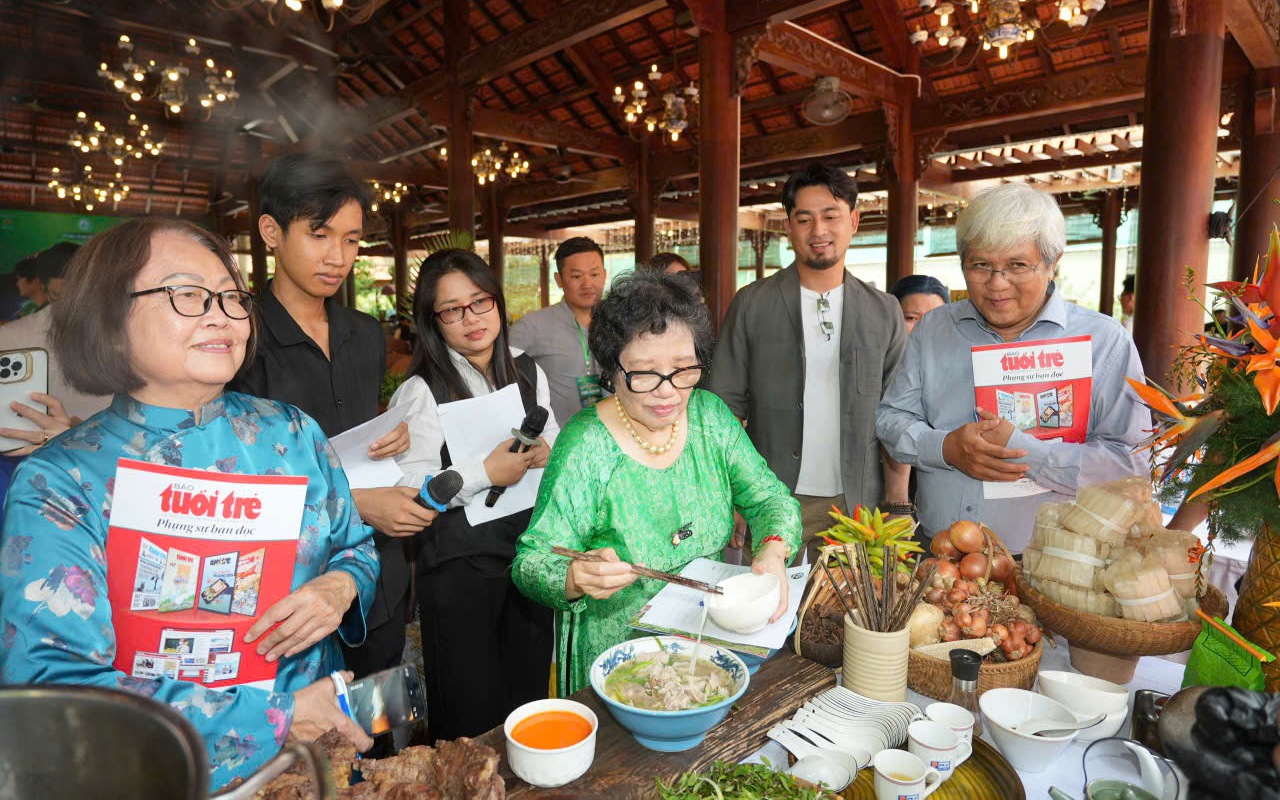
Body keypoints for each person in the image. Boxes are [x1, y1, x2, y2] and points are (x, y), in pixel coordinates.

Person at [0, 217, 378, 788]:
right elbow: (55, 685)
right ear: (109, 315)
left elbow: (356, 547)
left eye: (232, 298)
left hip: (314, 768)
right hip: (158, 774)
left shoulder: (293, 435)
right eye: (186, 295)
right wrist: (279, 718)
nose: (221, 315)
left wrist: (340, 587)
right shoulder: (61, 481)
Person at [513, 271, 801, 697]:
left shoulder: (710, 417)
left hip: (705, 642)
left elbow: (770, 499)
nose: (668, 392)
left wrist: (773, 550)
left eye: (683, 370)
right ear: (612, 369)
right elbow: (531, 560)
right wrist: (575, 577)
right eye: (645, 374)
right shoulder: (585, 444)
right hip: (615, 654)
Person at [228, 153, 431, 691]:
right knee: (312, 750)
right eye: (320, 235)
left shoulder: (363, 332)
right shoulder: (239, 340)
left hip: (375, 568)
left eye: (352, 239)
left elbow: (351, 436)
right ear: (271, 232)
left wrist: (389, 434)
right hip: (290, 588)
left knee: (379, 726)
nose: (338, 256)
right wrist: (360, 506)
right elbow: (236, 481)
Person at [876, 184, 1148, 552]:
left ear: (1053, 264)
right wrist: (945, 448)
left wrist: (1025, 453)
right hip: (941, 552)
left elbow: (1129, 466)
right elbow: (890, 420)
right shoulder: (934, 329)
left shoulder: (1103, 342)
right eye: (980, 265)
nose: (997, 284)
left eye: (1017, 265)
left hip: (1054, 565)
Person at [388, 248, 558, 741]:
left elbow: (551, 431)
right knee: (469, 709)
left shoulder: (528, 370)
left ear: (498, 303)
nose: (471, 319)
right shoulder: (421, 390)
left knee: (528, 697)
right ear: (433, 322)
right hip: (459, 569)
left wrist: (547, 449)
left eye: (480, 302)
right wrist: (483, 471)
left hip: (527, 557)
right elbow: (406, 496)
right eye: (452, 310)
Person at [708, 162, 908, 561]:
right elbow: (722, 409)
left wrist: (897, 502)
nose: (818, 231)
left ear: (853, 220)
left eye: (831, 216)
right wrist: (732, 494)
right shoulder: (753, 304)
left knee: (843, 613)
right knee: (768, 611)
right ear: (788, 227)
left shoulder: (883, 311)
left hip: (856, 501)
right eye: (805, 219)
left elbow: (898, 413)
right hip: (769, 496)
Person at [510, 236, 608, 427]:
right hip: (560, 441)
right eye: (577, 276)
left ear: (604, 274)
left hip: (615, 437)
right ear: (559, 279)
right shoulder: (533, 326)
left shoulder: (622, 322)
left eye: (594, 274)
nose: (587, 284)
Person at [10, 254, 50, 320]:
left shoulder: (44, 314)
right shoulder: (31, 308)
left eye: (19, 279)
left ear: (36, 280)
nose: (17, 284)